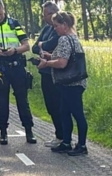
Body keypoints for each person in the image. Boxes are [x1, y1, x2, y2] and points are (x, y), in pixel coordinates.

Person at [0, 0, 36, 145]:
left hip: (17, 66)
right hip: (0, 68)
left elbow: (26, 46)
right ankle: (3, 132)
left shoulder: (14, 23)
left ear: (4, 8)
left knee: (22, 100)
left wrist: (15, 50)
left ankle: (29, 130)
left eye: (1, 13)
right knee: (2, 102)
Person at [38, 11, 87, 156]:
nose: (54, 29)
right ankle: (66, 142)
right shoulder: (74, 38)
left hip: (70, 83)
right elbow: (67, 56)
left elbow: (62, 63)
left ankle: (81, 145)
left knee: (77, 114)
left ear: (64, 25)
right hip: (75, 82)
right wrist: (50, 56)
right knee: (64, 112)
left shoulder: (64, 39)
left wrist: (46, 63)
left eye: (56, 25)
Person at [32, 2, 63, 144]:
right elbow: (34, 47)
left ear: (52, 13)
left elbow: (52, 44)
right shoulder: (46, 29)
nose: (43, 17)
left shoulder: (59, 29)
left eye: (45, 14)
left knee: (58, 105)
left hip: (56, 73)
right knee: (50, 105)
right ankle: (59, 135)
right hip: (44, 72)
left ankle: (63, 137)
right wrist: (42, 47)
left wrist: (42, 45)